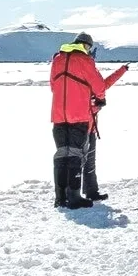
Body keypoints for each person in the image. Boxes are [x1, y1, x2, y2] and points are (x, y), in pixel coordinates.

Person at [49, 33, 125, 208]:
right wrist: (99, 99)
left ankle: (60, 198)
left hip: (59, 115)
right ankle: (74, 197)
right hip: (78, 115)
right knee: (76, 155)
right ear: (86, 46)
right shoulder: (85, 60)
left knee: (62, 155)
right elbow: (99, 86)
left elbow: (53, 86)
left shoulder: (57, 59)